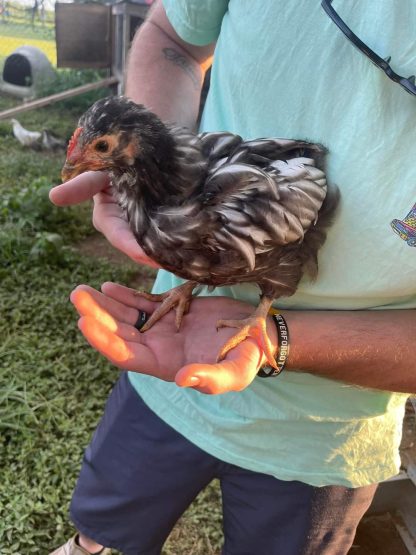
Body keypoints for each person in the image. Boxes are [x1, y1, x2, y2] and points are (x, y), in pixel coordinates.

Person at [49, 1, 416, 554]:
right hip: (167, 371)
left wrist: (271, 330)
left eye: (101, 151)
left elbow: (301, 192)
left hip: (324, 436)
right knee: (104, 525)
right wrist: (156, 220)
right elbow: (174, 35)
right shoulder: (159, 193)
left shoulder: (240, 214)